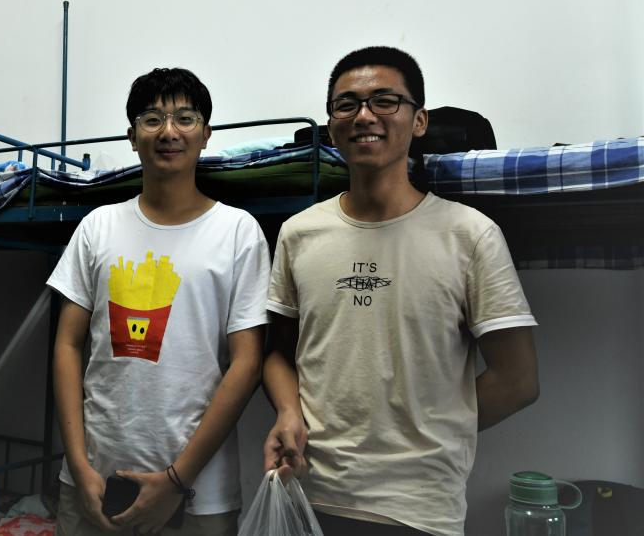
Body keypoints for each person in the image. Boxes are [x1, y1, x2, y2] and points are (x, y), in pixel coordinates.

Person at [262, 46, 540, 536]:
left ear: (419, 121)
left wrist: (431, 427)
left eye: (385, 101)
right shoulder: (299, 233)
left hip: (420, 509)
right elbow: (278, 354)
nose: (364, 115)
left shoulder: (469, 235)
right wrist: (288, 412)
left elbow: (518, 381)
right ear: (331, 128)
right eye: (347, 104)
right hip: (310, 494)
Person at [49, 68, 270, 536]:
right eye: (152, 119)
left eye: (185, 118)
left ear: (206, 134)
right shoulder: (97, 227)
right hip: (92, 480)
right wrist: (79, 464)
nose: (169, 132)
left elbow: (247, 363)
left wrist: (176, 480)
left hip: (199, 491)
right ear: (132, 137)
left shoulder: (238, 232)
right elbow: (67, 345)